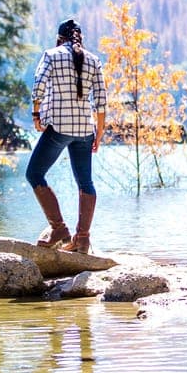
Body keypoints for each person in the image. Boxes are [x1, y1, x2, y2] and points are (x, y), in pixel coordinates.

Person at [26, 18, 107, 253]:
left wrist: (36, 115)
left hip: (59, 128)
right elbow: (101, 101)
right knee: (86, 182)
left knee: (34, 173)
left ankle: (59, 229)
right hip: (85, 130)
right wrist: (99, 133)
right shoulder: (93, 60)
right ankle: (82, 239)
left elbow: (39, 86)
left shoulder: (51, 55)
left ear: (59, 37)